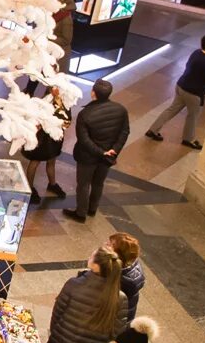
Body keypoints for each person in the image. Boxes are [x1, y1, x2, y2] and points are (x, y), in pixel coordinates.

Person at [45, 245, 129, 343]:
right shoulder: (120, 298)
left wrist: (56, 336)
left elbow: (57, 315)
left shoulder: (74, 284)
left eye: (92, 255)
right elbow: (116, 334)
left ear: (96, 265)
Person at [65, 78, 128, 222]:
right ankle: (92, 209)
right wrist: (113, 150)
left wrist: (101, 152)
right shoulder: (121, 110)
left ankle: (81, 213)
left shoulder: (85, 114)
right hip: (107, 157)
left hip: (88, 156)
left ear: (93, 93)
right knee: (99, 183)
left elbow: (84, 140)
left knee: (83, 184)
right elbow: (124, 132)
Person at [146, 33, 205, 149]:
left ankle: (153, 129)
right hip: (194, 93)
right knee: (193, 116)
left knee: (171, 109)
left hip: (181, 85)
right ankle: (189, 139)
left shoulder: (196, 52)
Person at [21, 88, 69, 205]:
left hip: (54, 137)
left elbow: (66, 121)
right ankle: (29, 188)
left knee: (51, 160)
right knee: (35, 161)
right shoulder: (43, 104)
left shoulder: (62, 104)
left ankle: (52, 184)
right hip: (42, 138)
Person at [108, 232, 145, 319]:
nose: (105, 245)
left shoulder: (122, 280)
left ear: (119, 255)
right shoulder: (130, 264)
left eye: (109, 245)